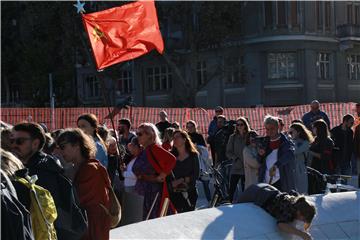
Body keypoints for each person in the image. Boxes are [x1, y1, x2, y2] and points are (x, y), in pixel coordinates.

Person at [10, 122, 85, 240]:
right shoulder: (42, 166)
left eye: (20, 141)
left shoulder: (41, 173)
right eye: (12, 141)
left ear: (35, 143)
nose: (14, 145)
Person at [56, 128, 112, 240]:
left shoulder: (90, 169)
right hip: (85, 226)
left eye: (63, 147)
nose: (60, 152)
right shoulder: (79, 167)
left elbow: (80, 201)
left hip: (92, 228)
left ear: (76, 145)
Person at [237, 183, 316, 240]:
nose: (302, 221)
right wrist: (301, 234)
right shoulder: (289, 209)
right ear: (299, 213)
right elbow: (281, 225)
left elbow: (308, 220)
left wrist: (306, 231)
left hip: (268, 188)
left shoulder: (299, 202)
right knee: (235, 207)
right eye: (303, 219)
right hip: (255, 193)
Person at [132, 123, 176, 220]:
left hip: (153, 192)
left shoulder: (154, 148)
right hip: (145, 191)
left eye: (140, 134)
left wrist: (162, 175)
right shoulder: (145, 150)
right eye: (137, 133)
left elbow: (172, 159)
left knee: (151, 221)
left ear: (150, 135)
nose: (137, 136)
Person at [258, 115, 297, 193]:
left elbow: (289, 155)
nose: (270, 131)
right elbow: (260, 161)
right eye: (267, 129)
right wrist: (260, 155)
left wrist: (276, 165)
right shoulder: (264, 142)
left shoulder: (286, 142)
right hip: (266, 181)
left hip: (282, 181)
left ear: (278, 127)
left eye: (272, 128)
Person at [169, 130, 200, 212]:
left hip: (190, 193)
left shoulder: (193, 155)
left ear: (184, 139)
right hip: (174, 194)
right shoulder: (170, 155)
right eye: (173, 138)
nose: (174, 139)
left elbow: (196, 174)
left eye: (177, 137)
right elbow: (167, 174)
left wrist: (181, 180)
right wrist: (172, 183)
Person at [226, 117, 249, 202]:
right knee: (232, 189)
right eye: (238, 124)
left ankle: (246, 205)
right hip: (236, 167)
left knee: (245, 189)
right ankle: (230, 203)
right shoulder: (233, 137)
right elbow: (228, 152)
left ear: (245, 125)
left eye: (241, 124)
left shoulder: (249, 136)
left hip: (247, 167)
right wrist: (235, 159)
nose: (239, 126)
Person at [288, 123, 314, 194]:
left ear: (298, 132)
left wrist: (291, 140)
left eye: (292, 132)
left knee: (301, 190)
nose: (290, 134)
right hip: (291, 168)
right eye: (289, 132)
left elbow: (295, 151)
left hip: (300, 168)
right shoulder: (290, 142)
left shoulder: (305, 143)